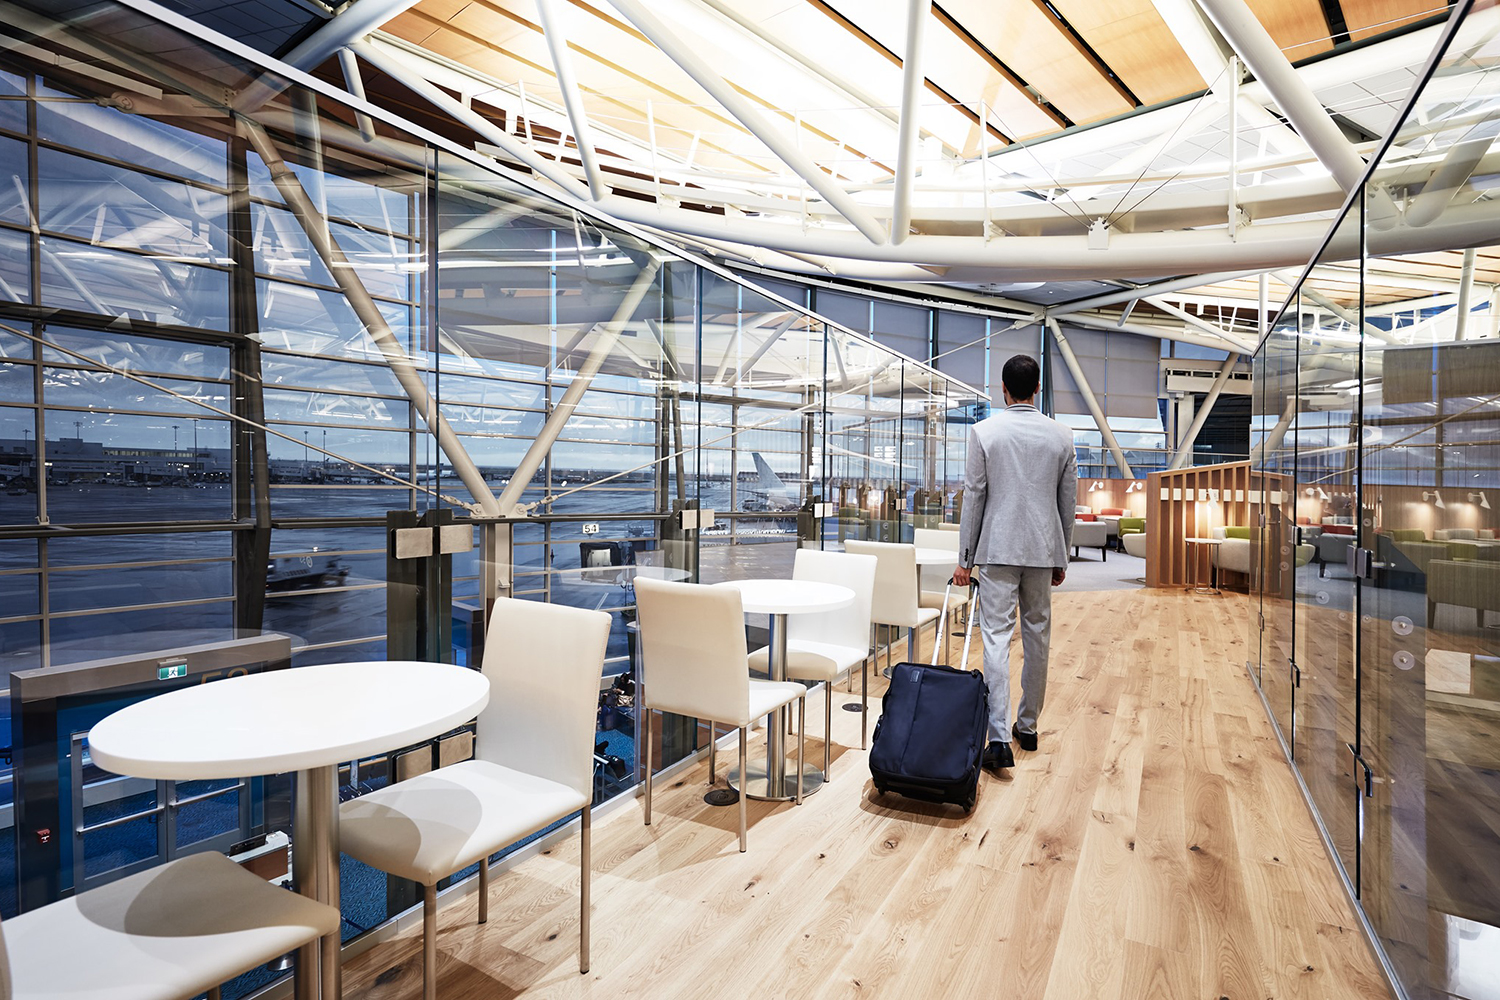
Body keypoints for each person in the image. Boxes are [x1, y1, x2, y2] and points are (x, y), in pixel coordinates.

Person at [953, 354, 1077, 772]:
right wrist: (1062, 555)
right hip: (1043, 552)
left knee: (995, 639)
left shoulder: (984, 433)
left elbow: (974, 497)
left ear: (1002, 389)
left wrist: (964, 560)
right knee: (1038, 637)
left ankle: (998, 739)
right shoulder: (1062, 436)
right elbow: (1067, 503)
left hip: (996, 550)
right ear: (1037, 388)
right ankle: (1029, 726)